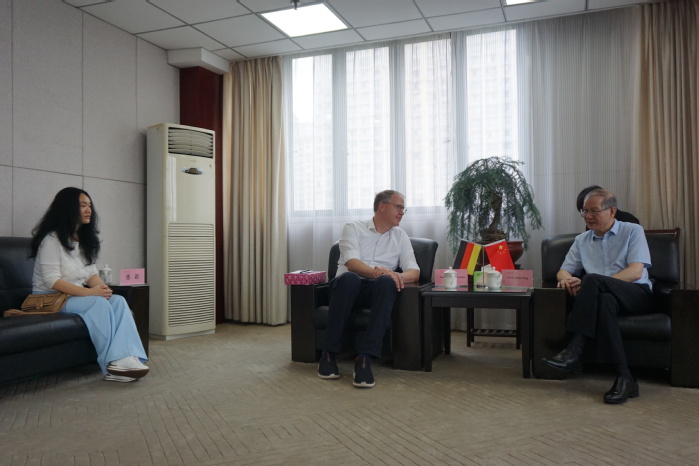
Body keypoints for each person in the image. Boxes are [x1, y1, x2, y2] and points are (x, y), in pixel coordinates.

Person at [541, 188, 653, 404]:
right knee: (604, 300)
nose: (588, 216)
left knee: (592, 280)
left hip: (636, 294)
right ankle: (625, 377)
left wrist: (598, 282)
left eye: (594, 211)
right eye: (585, 211)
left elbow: (635, 272)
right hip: (604, 297)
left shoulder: (632, 231)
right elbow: (563, 270)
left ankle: (574, 349)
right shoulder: (582, 240)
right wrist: (566, 279)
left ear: (612, 211)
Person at [31, 187, 149, 383]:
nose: (88, 210)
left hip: (74, 297)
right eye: (82, 206)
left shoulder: (82, 240)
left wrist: (103, 290)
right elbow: (52, 280)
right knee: (97, 303)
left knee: (117, 301)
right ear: (68, 208)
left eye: (89, 206)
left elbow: (91, 274)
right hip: (50, 298)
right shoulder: (51, 240)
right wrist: (91, 294)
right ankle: (112, 364)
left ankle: (128, 357)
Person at [318, 190, 420, 388]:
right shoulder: (353, 228)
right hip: (345, 288)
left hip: (376, 291)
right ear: (382, 206)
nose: (402, 212)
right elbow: (352, 263)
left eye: (403, 208)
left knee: (387, 283)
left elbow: (414, 272)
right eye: (398, 207)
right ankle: (328, 353)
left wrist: (395, 276)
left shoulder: (400, 236)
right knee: (350, 279)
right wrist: (379, 272)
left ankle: (365, 358)